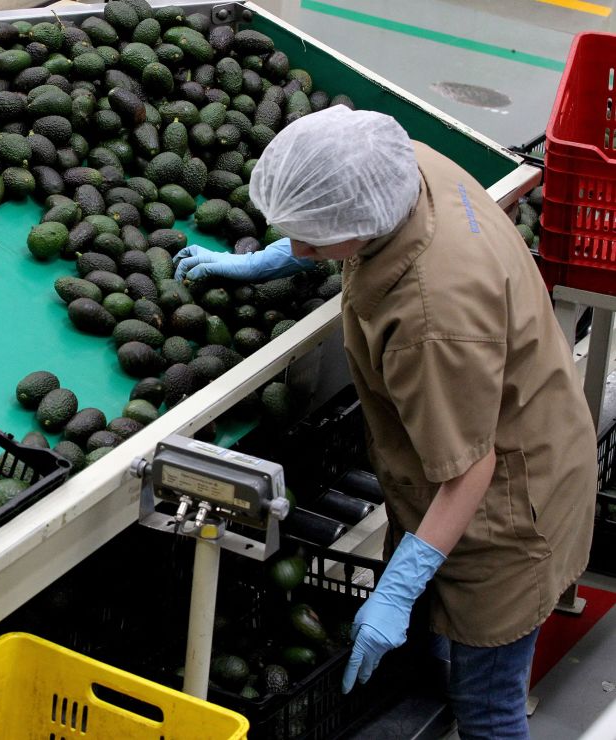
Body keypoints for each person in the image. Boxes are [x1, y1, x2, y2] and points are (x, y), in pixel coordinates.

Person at [174, 106, 597, 739]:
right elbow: (340, 225)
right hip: (490, 429)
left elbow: (471, 469)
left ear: (360, 224)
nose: (305, 249)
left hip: (510, 504)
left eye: (313, 240)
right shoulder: (401, 165)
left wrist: (396, 590)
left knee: (487, 702)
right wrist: (265, 261)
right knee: (432, 641)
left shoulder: (432, 321)